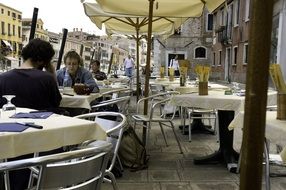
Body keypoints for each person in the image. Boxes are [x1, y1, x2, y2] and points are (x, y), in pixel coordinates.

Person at [0, 38, 62, 190]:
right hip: (42, 146)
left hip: (8, 149)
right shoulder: (46, 79)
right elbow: (56, 103)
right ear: (42, 61)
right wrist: (52, 73)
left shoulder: (2, 79)